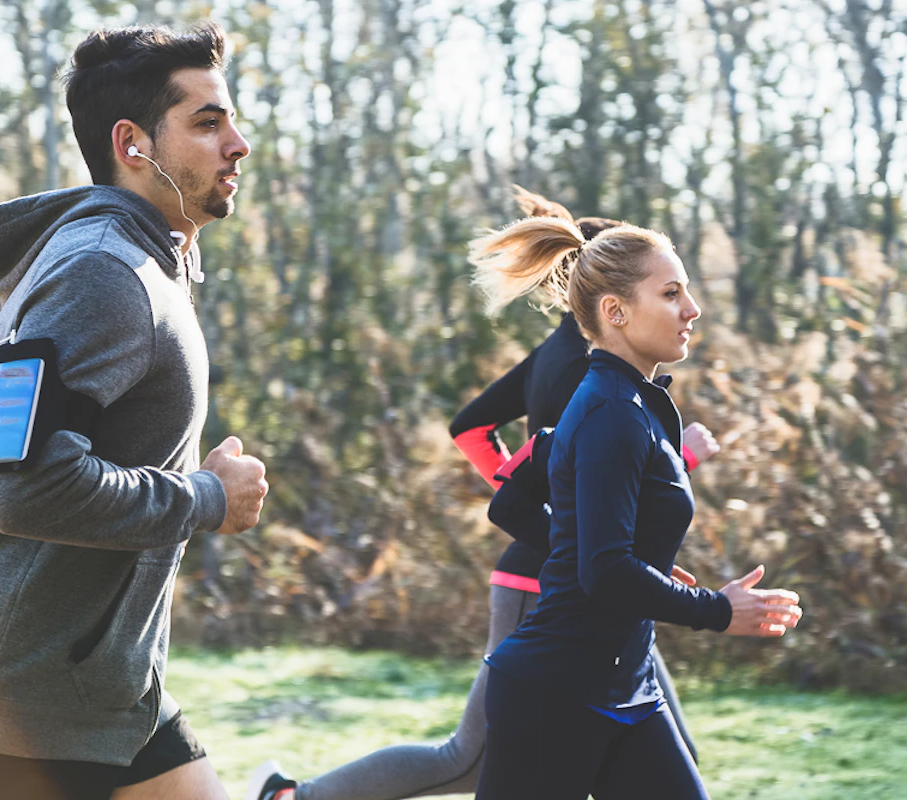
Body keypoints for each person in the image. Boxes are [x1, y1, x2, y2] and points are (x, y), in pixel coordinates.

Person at [244, 192, 717, 800]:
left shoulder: (556, 357)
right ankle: (293, 798)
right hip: (547, 580)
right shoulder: (595, 376)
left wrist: (577, 518)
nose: (685, 307)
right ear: (611, 300)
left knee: (662, 748)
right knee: (467, 757)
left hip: (584, 583)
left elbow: (479, 437)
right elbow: (585, 482)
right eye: (667, 289)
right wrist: (674, 468)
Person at [0, 22, 266, 800]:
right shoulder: (105, 271)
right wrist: (207, 499)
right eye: (207, 122)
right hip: (27, 707)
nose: (239, 144)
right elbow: (25, 487)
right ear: (133, 143)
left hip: (99, 686)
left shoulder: (122, 259)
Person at [467, 217, 804, 799]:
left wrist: (609, 554)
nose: (692, 309)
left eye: (687, 291)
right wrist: (716, 610)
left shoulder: (633, 403)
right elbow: (601, 571)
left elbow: (515, 503)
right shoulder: (608, 411)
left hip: (627, 685)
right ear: (616, 312)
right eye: (671, 294)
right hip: (554, 693)